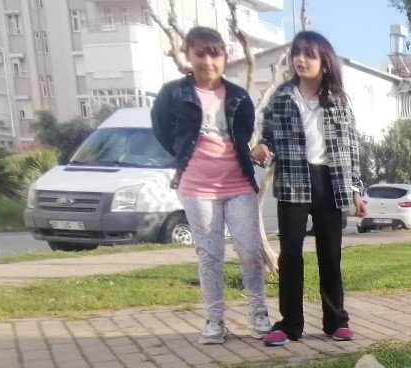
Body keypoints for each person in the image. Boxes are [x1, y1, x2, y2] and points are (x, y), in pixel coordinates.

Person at [151, 26, 270, 345]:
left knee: (250, 251)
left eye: (215, 53)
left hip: (238, 183)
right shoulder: (173, 93)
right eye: (200, 53)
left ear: (225, 57)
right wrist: (185, 155)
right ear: (188, 55)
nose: (208, 60)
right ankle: (215, 320)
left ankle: (259, 313)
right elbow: (163, 131)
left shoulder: (239, 95)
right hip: (197, 186)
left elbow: (243, 134)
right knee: (210, 255)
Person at [252, 31, 366, 347]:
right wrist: (262, 148)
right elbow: (269, 137)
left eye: (309, 54)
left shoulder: (339, 101)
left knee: (330, 255)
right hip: (292, 181)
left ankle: (336, 322)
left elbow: (350, 147)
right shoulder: (282, 98)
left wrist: (355, 189)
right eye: (297, 53)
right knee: (290, 256)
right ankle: (289, 325)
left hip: (329, 182)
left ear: (325, 64)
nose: (300, 60)